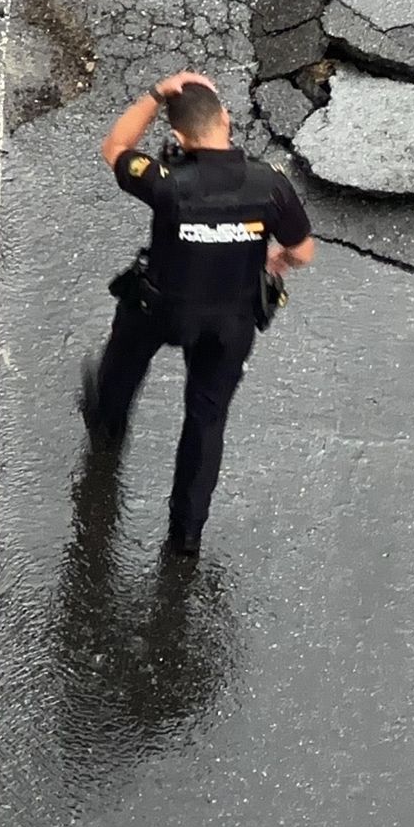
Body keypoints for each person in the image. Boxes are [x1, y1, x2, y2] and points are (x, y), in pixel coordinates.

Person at [80, 70, 314, 556]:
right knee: (207, 419)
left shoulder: (168, 182)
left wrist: (155, 93)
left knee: (122, 363)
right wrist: (276, 260)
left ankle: (107, 424)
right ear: (226, 119)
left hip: (162, 308)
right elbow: (303, 251)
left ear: (179, 137)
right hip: (231, 322)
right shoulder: (269, 183)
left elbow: (115, 147)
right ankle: (185, 535)